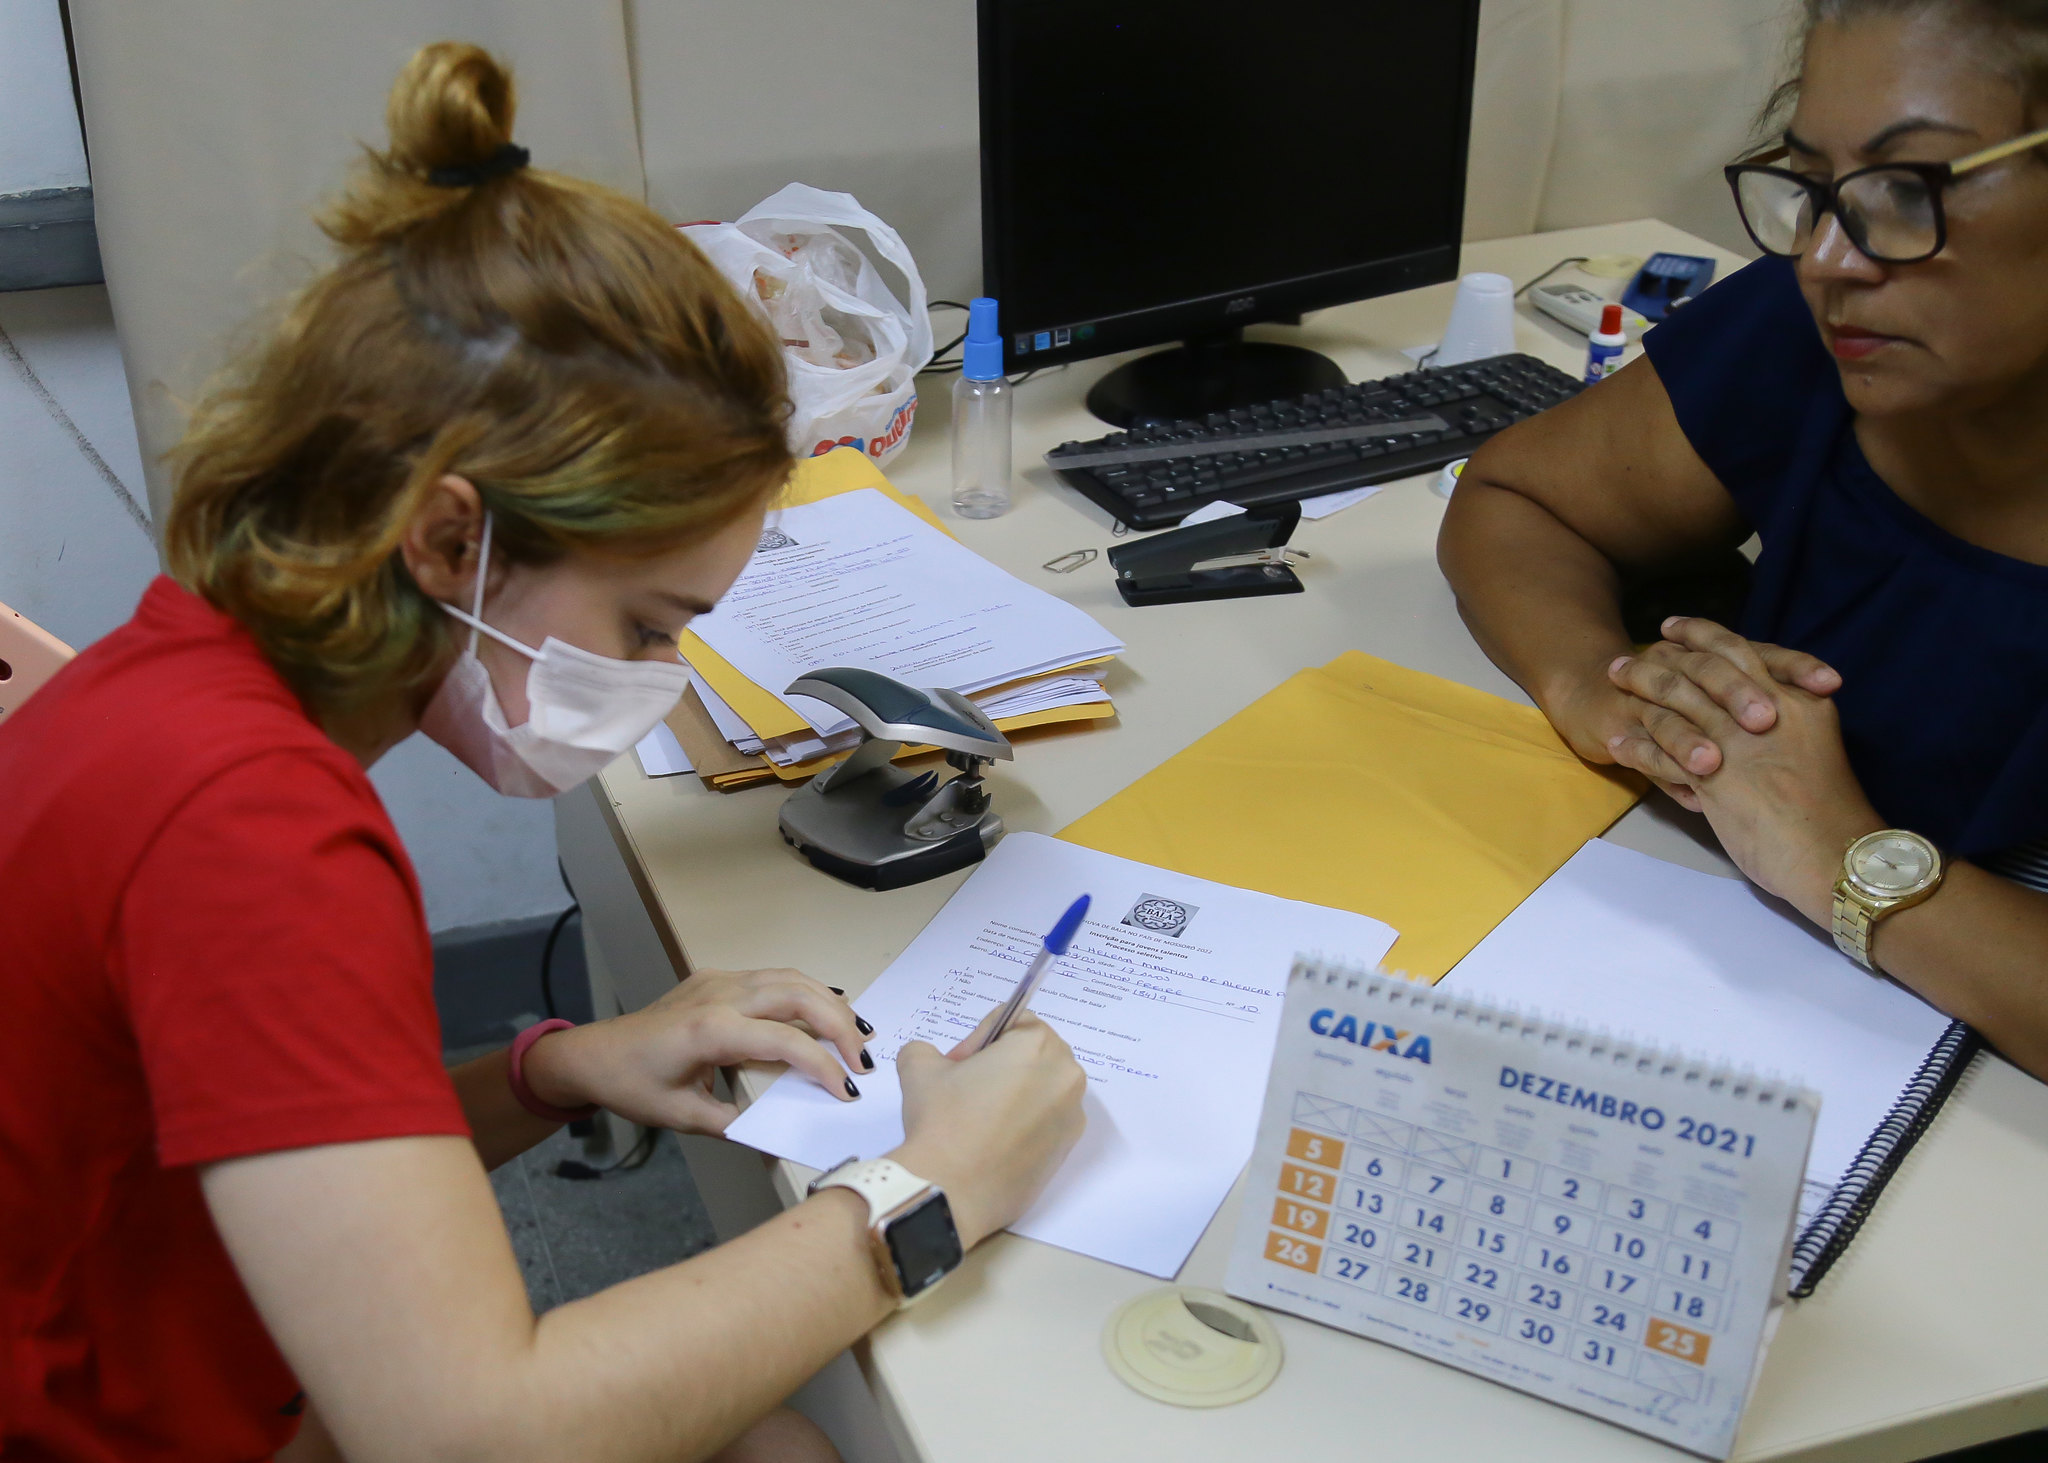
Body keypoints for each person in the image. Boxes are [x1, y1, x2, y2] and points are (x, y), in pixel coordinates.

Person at [0, 43, 1086, 1463]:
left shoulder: (175, 675)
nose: (660, 679)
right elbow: (469, 1426)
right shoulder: (250, 833)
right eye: (647, 622)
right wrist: (924, 1188)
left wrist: (557, 1068)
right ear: (454, 536)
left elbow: (282, 1121)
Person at [1438, 0, 2048, 1079]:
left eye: (1907, 191)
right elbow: (1517, 501)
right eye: (1810, 187)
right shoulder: (1809, 332)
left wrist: (1840, 859)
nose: (1825, 258)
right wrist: (1597, 686)